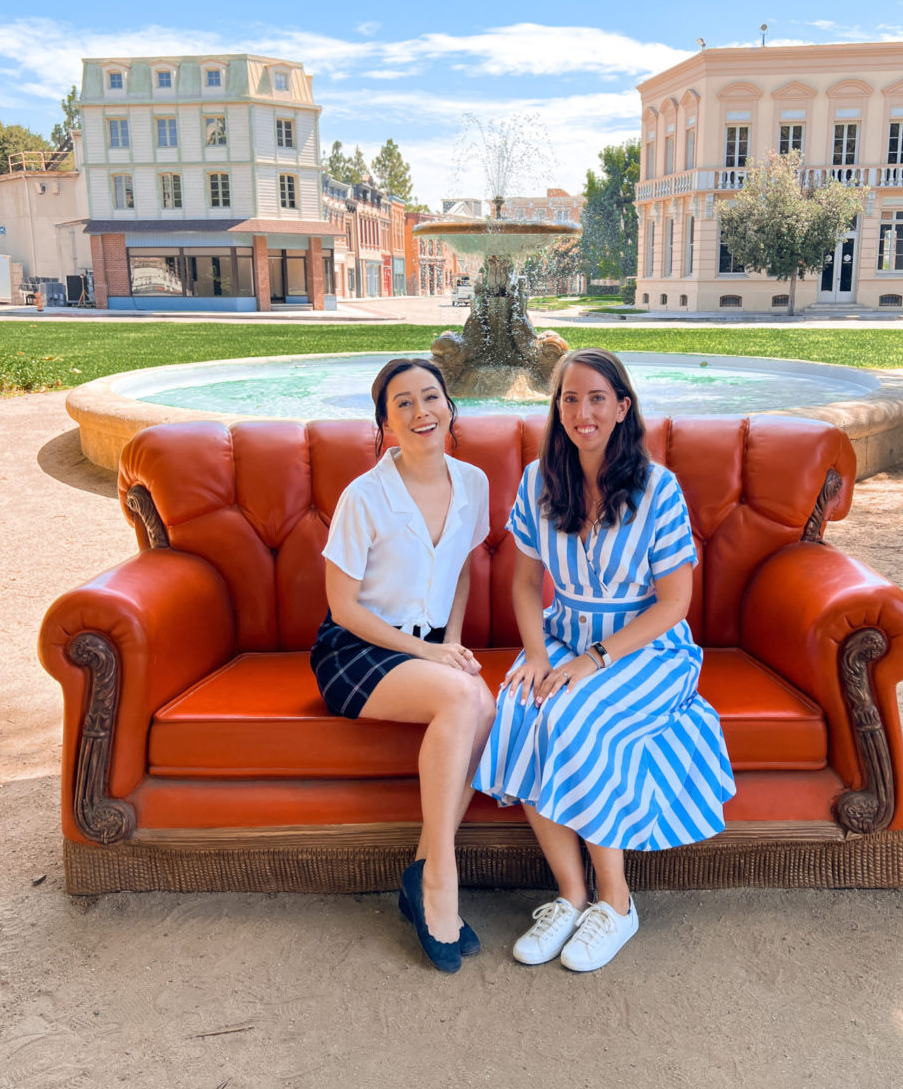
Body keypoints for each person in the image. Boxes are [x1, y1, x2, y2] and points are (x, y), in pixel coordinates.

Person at [474, 347, 735, 973]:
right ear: (556, 407)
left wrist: (593, 660)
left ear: (622, 408)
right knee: (519, 705)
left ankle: (617, 903)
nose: (582, 412)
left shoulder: (657, 489)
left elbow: (673, 603)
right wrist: (536, 655)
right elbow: (523, 582)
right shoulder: (541, 480)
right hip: (562, 636)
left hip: (646, 646)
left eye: (596, 399)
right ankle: (571, 895)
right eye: (569, 398)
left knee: (574, 717)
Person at [310, 358, 494, 973]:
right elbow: (342, 606)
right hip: (357, 648)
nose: (421, 413)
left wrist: (455, 645)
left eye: (430, 398)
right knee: (460, 699)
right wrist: (432, 656)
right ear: (384, 422)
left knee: (486, 706)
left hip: (431, 646)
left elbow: (462, 568)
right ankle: (441, 880)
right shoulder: (364, 496)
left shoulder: (472, 483)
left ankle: (423, 869)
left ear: (449, 407)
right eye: (403, 404)